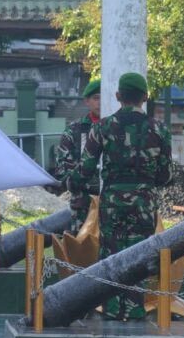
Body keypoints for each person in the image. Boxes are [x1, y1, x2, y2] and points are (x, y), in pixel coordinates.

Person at [68, 72, 173, 321]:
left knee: (112, 254)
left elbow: (85, 170)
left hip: (113, 202)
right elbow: (166, 176)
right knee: (140, 254)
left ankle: (113, 309)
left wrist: (72, 183)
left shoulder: (102, 127)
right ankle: (135, 310)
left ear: (117, 96)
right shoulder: (159, 129)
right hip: (144, 202)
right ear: (145, 98)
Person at [53, 78, 102, 231]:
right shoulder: (74, 131)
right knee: (82, 249)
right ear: (87, 101)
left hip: (115, 205)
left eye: (103, 97)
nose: (100, 102)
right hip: (83, 205)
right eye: (96, 98)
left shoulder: (119, 129)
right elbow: (63, 172)